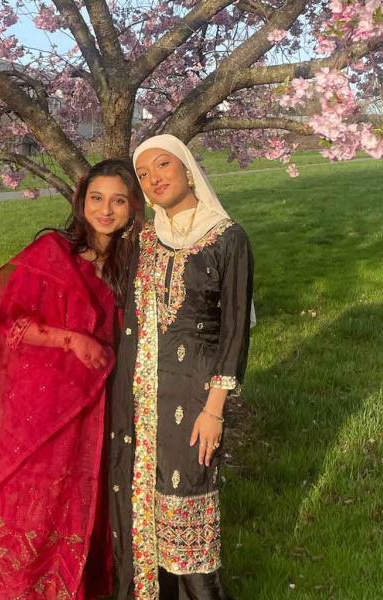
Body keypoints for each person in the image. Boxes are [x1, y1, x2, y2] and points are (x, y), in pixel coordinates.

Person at [0, 159, 145, 599]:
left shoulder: (132, 265)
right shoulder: (53, 254)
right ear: (81, 201)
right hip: (45, 410)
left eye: (118, 201)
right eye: (96, 198)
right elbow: (11, 326)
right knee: (37, 505)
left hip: (103, 407)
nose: (106, 210)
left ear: (133, 207)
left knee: (86, 502)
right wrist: (72, 340)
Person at [109, 135, 254, 599]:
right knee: (143, 516)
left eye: (163, 165)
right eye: (144, 174)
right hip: (138, 397)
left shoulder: (226, 237)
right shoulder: (143, 239)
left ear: (188, 169)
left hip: (194, 399)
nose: (154, 179)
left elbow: (235, 331)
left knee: (188, 517)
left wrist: (215, 410)